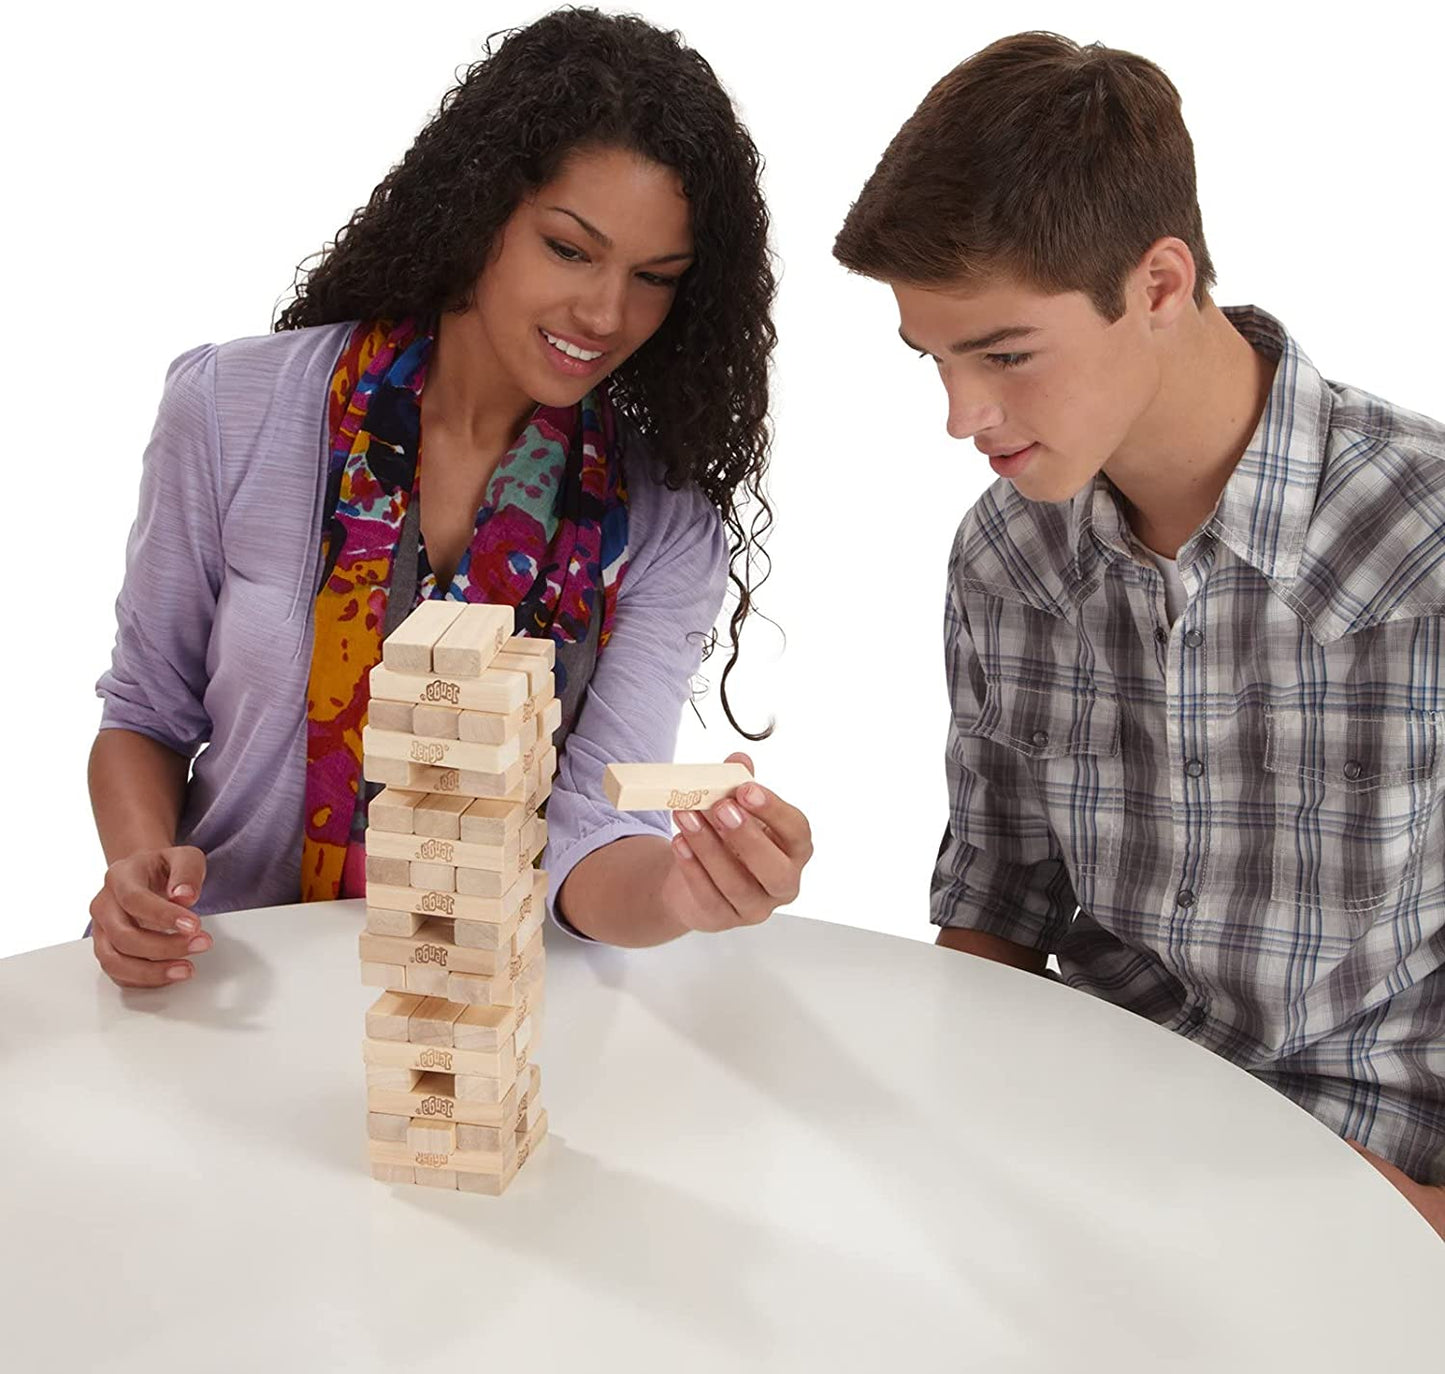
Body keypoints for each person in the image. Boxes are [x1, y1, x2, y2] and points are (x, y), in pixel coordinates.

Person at [832, 31, 1445, 1236]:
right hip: (1085, 1167)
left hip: (1364, 1196)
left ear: (1159, 286)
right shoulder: (1007, 555)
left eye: (1003, 354)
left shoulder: (1425, 545)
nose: (962, 415)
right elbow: (996, 899)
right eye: (934, 360)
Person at [89, 7, 813, 987]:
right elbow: (146, 712)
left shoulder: (664, 519)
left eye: (653, 278)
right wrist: (138, 870)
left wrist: (686, 890)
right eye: (569, 248)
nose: (605, 314)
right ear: (480, 214)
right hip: (224, 987)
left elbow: (594, 827)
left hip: (481, 1016)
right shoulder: (229, 409)